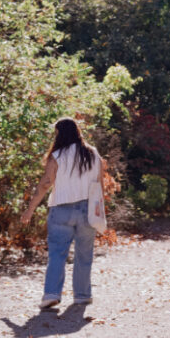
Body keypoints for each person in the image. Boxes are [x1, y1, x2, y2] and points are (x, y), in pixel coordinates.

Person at [20, 117, 104, 309]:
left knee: (57, 254)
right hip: (87, 209)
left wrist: (30, 210)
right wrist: (100, 211)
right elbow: (99, 183)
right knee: (85, 254)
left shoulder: (57, 156)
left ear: (59, 134)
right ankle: (82, 295)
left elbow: (45, 185)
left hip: (61, 209)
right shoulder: (93, 153)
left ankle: (51, 294)